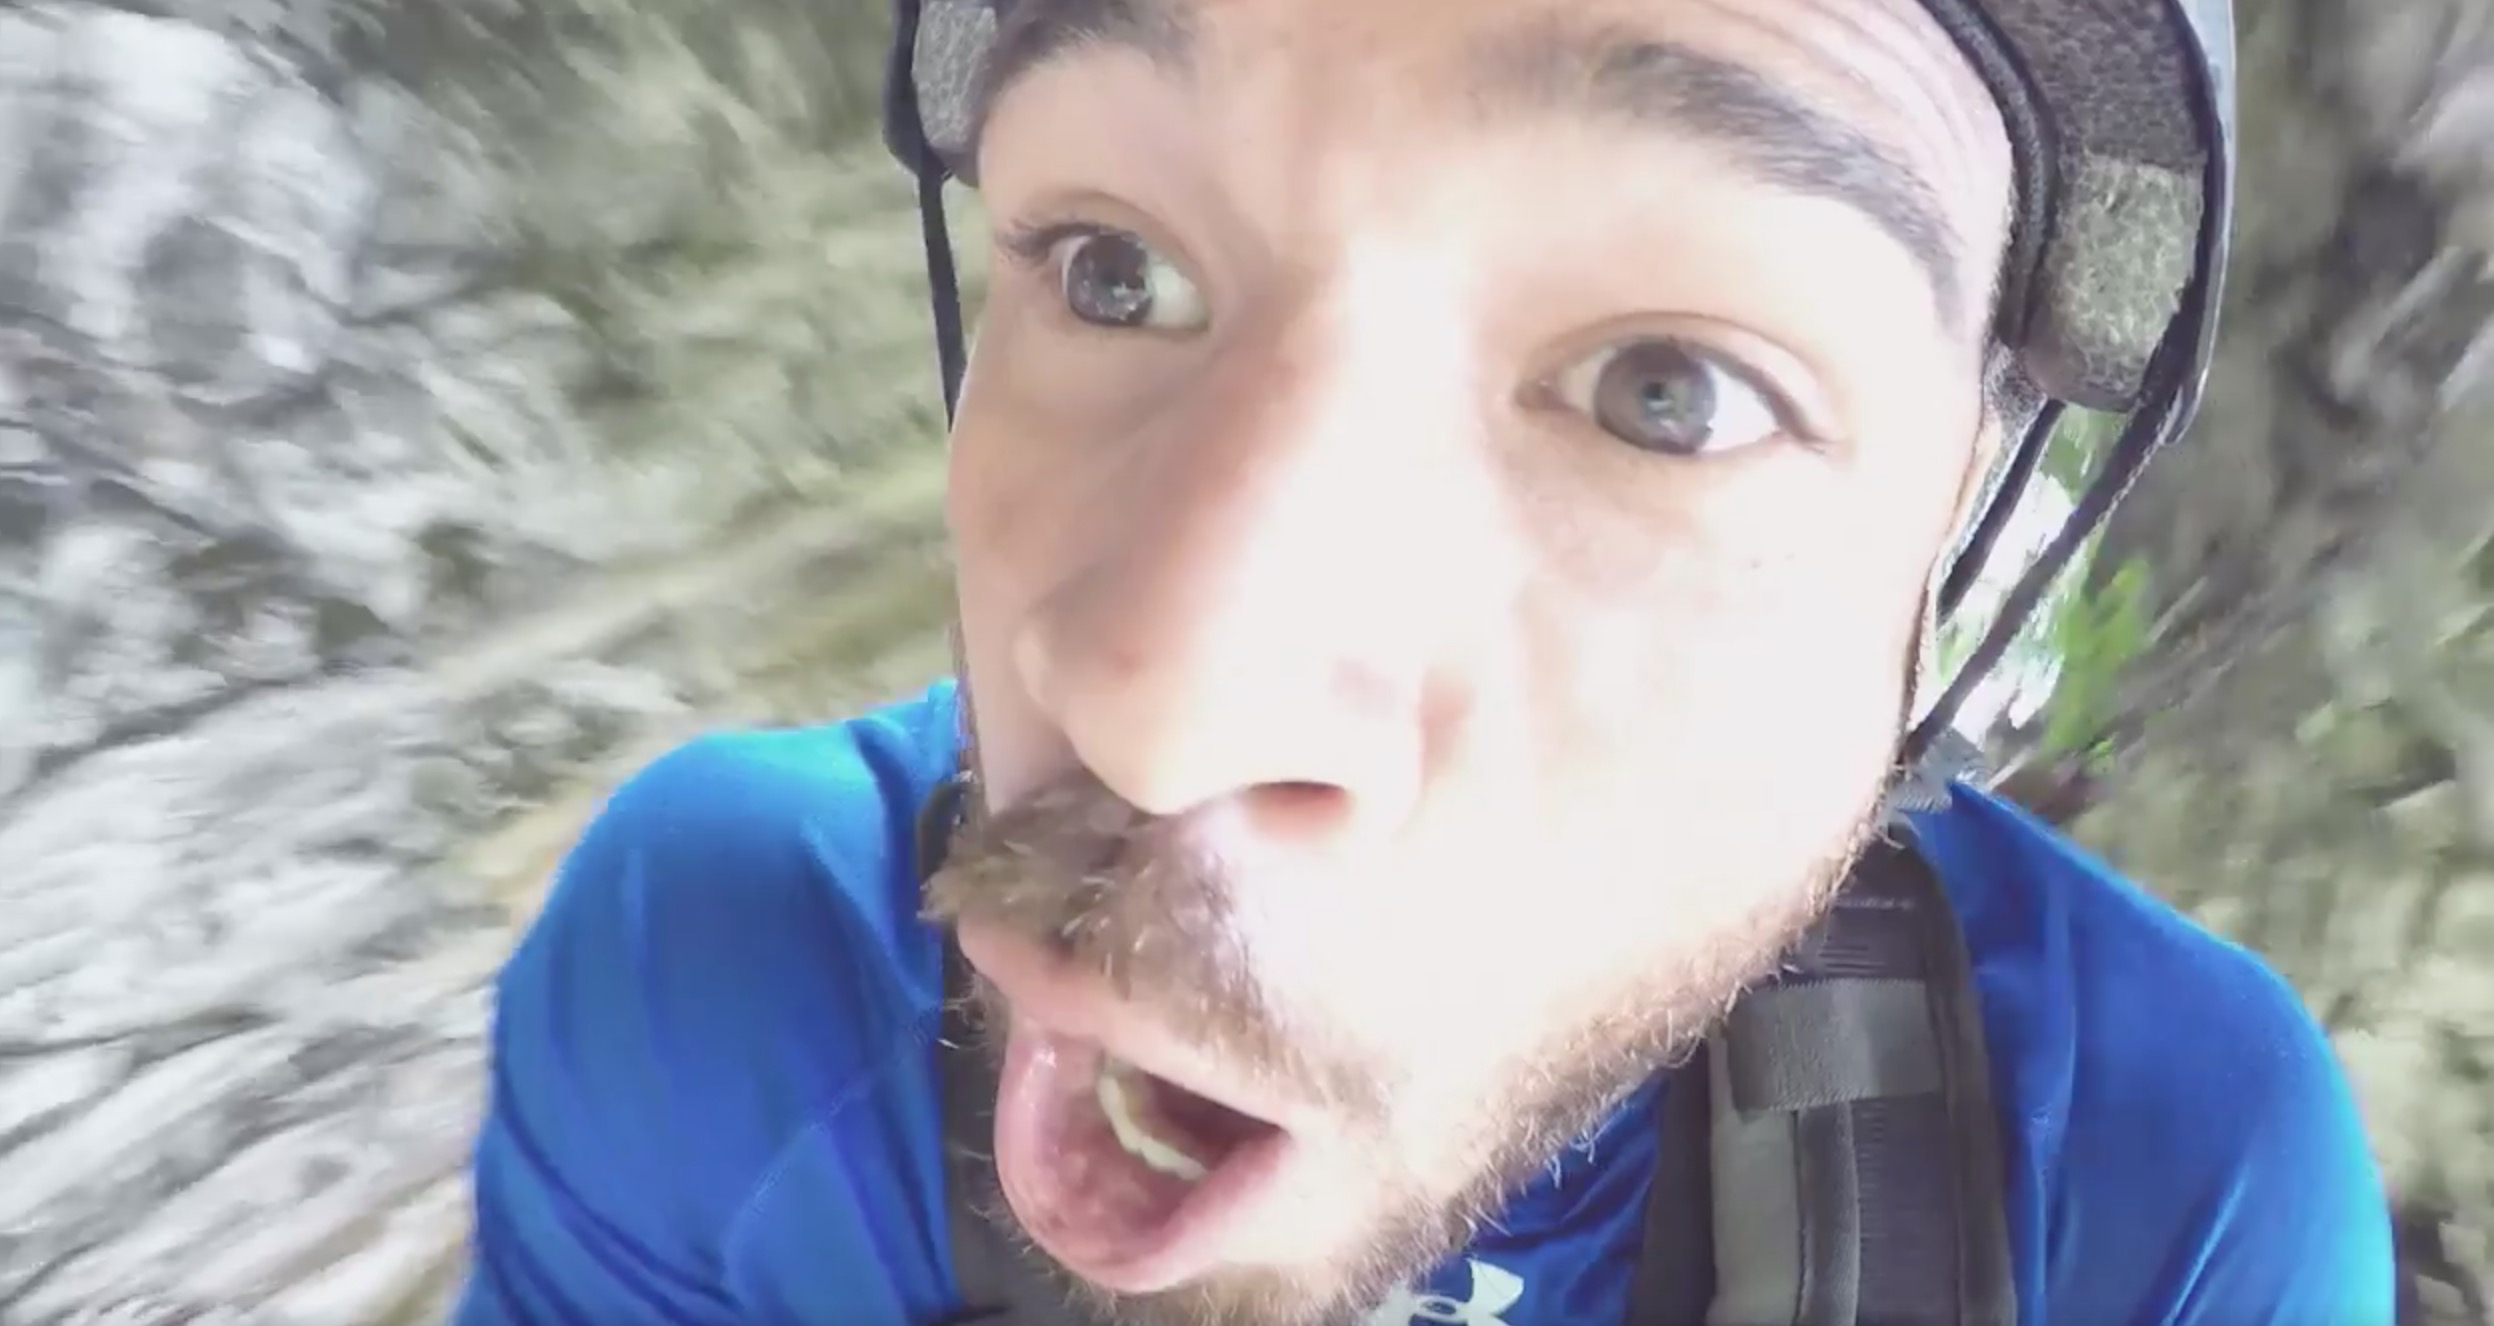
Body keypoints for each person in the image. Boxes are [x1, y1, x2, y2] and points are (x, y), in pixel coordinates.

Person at [452, 0, 2399, 1322]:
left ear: (1945, 576)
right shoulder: (714, 976)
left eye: (1667, 392)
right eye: (1111, 270)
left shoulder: (2151, 1194)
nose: (1158, 708)